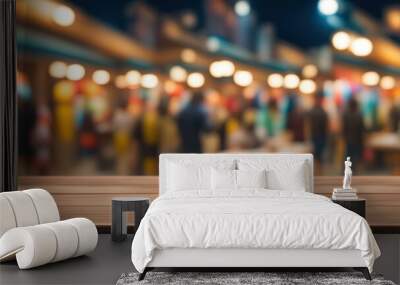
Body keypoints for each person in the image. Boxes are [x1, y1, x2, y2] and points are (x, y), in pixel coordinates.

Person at [307, 93, 328, 173]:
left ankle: (318, 173)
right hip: (316, 137)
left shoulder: (313, 111)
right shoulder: (321, 111)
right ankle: (317, 173)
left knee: (318, 157)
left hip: (320, 137)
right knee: (316, 157)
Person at [342, 98, 364, 172]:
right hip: (357, 140)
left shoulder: (346, 115)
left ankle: (347, 171)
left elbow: (344, 128)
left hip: (348, 139)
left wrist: (344, 137)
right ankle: (356, 172)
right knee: (356, 157)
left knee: (348, 156)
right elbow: (362, 129)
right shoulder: (359, 115)